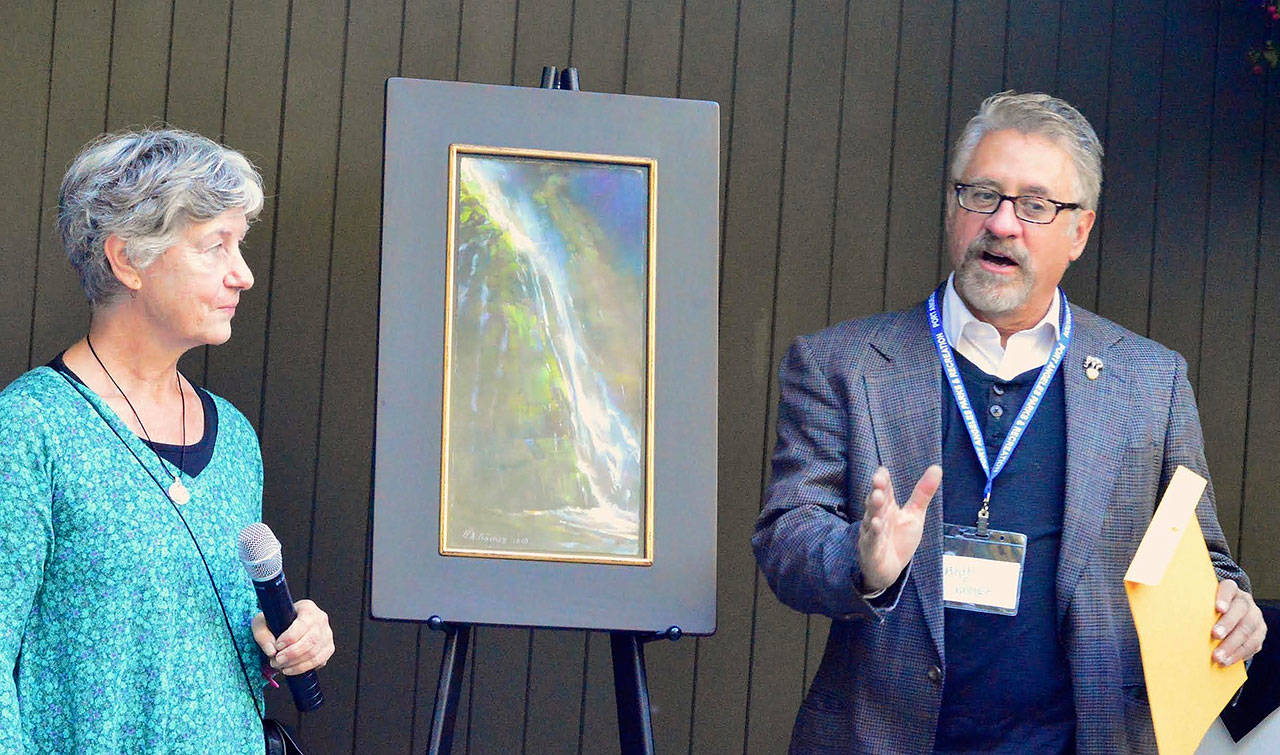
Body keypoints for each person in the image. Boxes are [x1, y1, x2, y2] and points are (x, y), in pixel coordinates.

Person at [752, 92, 1266, 753]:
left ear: (1079, 231)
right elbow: (787, 535)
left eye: (1035, 205)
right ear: (951, 206)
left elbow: (1205, 559)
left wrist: (1234, 606)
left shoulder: (1149, 382)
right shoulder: (843, 365)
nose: (1002, 223)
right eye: (982, 195)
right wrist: (863, 560)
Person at [0, 129, 335, 752]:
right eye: (216, 246)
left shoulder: (234, 437)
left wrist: (287, 638)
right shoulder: (28, 431)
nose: (245, 274)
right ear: (128, 260)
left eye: (241, 245)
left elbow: (205, 639)